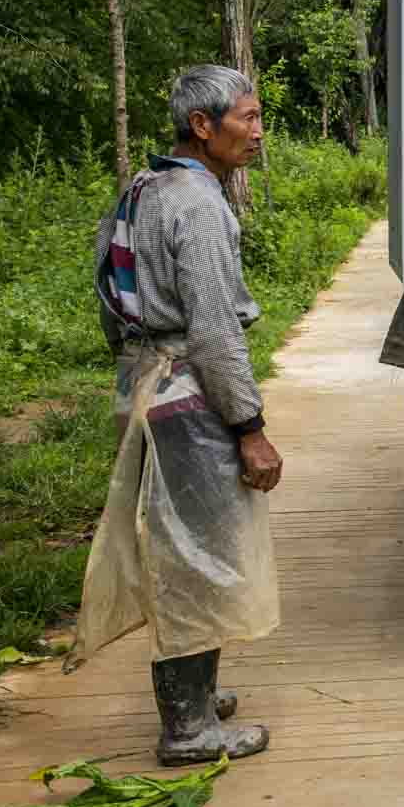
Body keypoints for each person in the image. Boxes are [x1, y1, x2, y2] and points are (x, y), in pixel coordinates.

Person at [70, 65, 283, 765]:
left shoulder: (142, 189)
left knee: (177, 544)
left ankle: (196, 693)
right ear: (202, 125)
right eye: (247, 117)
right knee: (197, 556)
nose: (258, 131)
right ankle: (188, 728)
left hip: (142, 385)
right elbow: (216, 331)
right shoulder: (199, 205)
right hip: (187, 396)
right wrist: (249, 427)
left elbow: (107, 291)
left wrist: (139, 368)